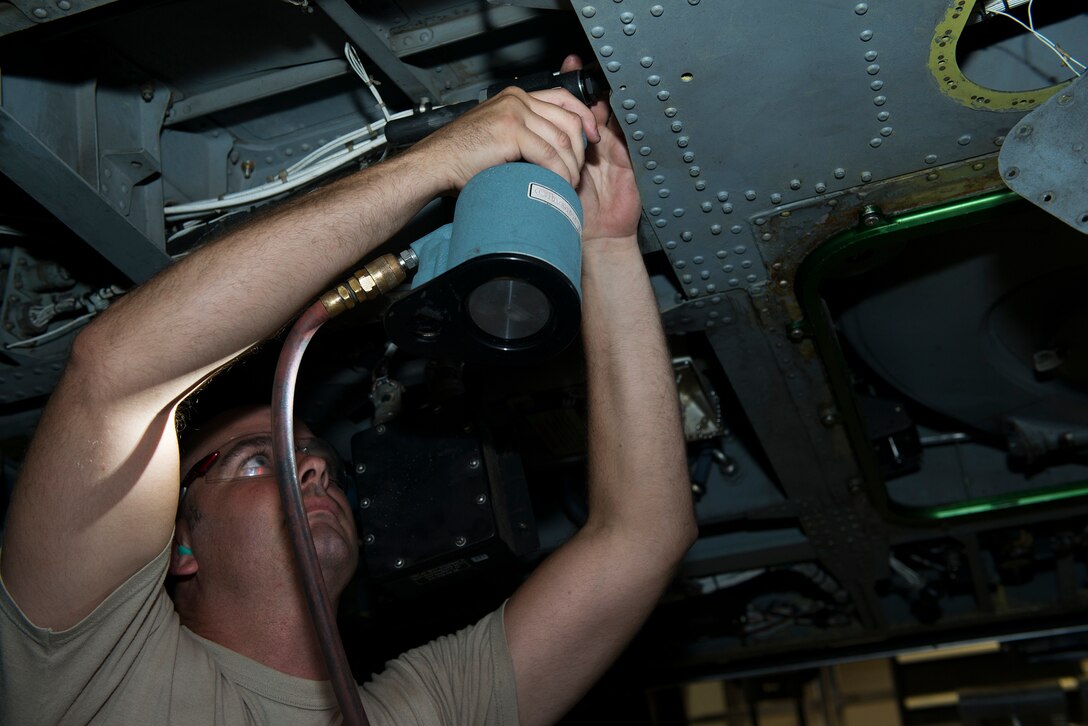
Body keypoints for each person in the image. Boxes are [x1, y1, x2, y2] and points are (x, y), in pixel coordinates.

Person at [0, 55, 696, 725]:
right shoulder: (90, 673)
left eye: (323, 465)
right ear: (179, 545)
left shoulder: (426, 706)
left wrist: (605, 245)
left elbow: (638, 538)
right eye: (256, 460)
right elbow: (116, 373)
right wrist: (439, 161)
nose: (315, 468)